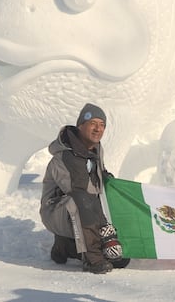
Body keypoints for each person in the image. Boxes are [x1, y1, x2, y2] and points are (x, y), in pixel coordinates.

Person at [39, 103, 130, 274]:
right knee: (81, 199)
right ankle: (92, 258)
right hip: (56, 211)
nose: (98, 129)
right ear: (80, 125)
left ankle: (65, 246)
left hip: (82, 209)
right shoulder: (66, 156)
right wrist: (105, 230)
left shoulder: (94, 149)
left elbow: (98, 178)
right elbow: (79, 192)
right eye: (93, 123)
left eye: (102, 125)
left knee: (121, 260)